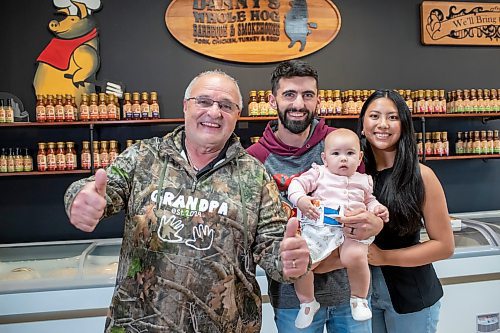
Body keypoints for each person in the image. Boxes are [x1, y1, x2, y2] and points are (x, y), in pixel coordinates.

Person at [64, 70, 311, 333]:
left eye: (226, 106)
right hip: (139, 324)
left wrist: (290, 262)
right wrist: (79, 197)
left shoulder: (254, 174)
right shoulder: (144, 157)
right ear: (185, 106)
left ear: (237, 115)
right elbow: (100, 190)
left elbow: (275, 247)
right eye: (203, 102)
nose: (214, 113)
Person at [247, 59, 384, 333]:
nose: (299, 104)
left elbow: (366, 200)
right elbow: (257, 237)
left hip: (350, 295)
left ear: (318, 100)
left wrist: (376, 222)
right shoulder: (255, 160)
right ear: (273, 101)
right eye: (289, 95)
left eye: (307, 95)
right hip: (293, 301)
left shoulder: (342, 144)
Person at [357, 89, 455, 333]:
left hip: (411, 295)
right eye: (375, 116)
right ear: (362, 125)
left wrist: (384, 257)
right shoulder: (353, 175)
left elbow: (444, 245)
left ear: (404, 125)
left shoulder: (421, 176)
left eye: (392, 117)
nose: (383, 124)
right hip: (362, 295)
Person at [288, 129, 390, 328]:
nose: (343, 159)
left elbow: (370, 201)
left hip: (351, 231)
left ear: (360, 157)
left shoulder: (364, 180)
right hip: (321, 230)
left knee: (355, 257)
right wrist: (300, 199)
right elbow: (296, 184)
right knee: (303, 264)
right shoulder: (319, 173)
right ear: (324, 158)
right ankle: (308, 302)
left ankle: (358, 299)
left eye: (350, 154)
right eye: (336, 154)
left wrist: (378, 209)